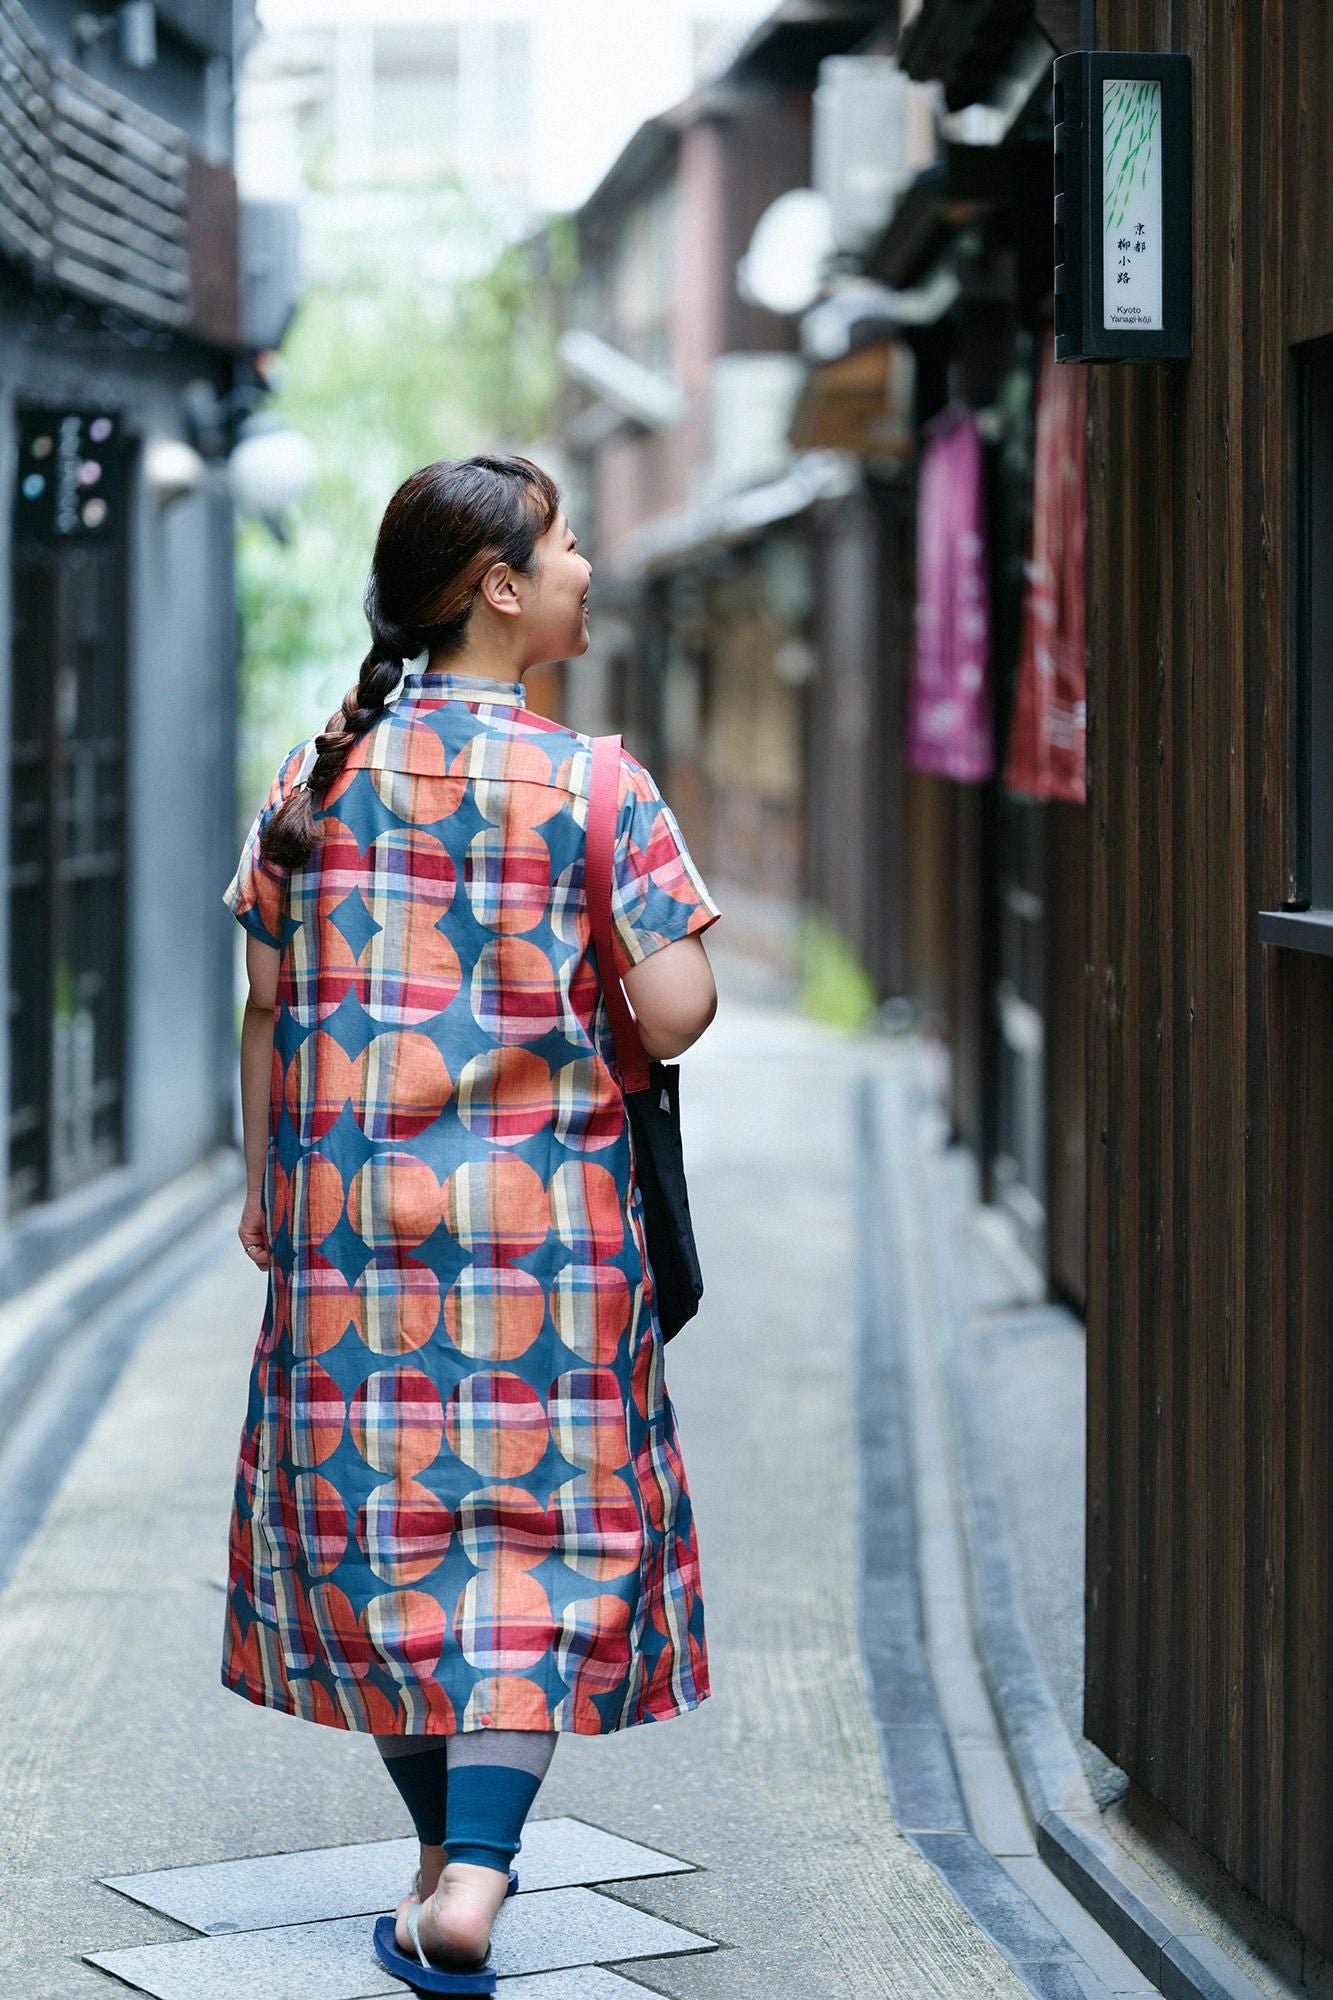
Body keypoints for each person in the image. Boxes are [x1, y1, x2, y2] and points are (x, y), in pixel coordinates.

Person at [219, 454, 721, 1985]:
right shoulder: (594, 783)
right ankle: (477, 1876)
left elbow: (263, 1008)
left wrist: (264, 1191)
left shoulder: (315, 781)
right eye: (564, 546)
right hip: (548, 1257)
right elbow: (678, 1013)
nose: (583, 565)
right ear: (499, 589)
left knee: (382, 1548)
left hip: (346, 1256)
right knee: (537, 1557)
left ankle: (439, 1864)